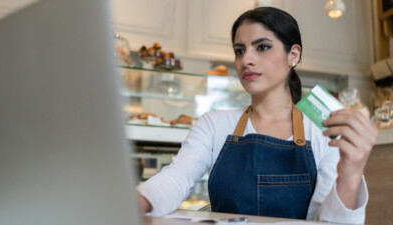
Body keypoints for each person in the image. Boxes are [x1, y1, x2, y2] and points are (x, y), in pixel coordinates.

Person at [136, 7, 377, 224]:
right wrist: (139, 201)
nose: (246, 60)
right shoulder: (214, 124)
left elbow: (329, 222)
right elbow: (177, 177)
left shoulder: (324, 131)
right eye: (239, 50)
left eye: (262, 47)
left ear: (293, 55)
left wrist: (352, 173)